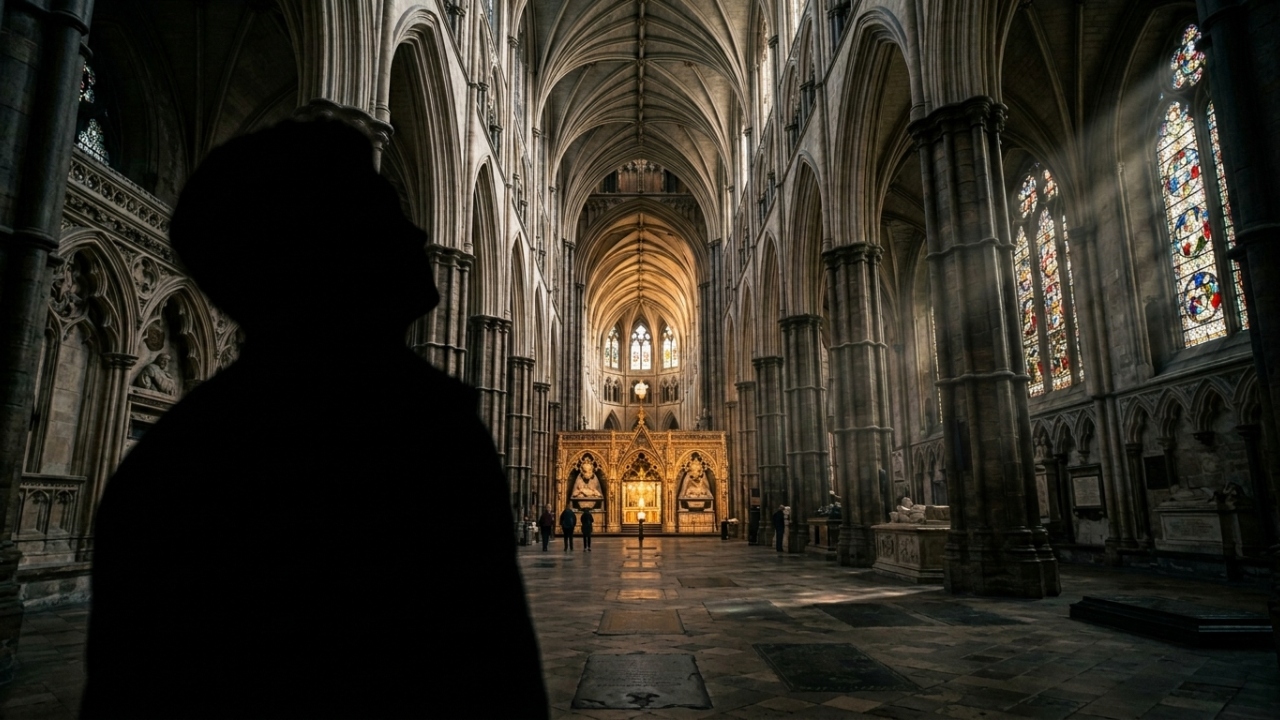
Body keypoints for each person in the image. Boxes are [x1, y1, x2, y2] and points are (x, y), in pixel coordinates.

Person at [79, 119, 548, 719]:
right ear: (329, 253)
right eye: (386, 211)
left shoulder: (167, 465)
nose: (419, 231)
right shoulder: (422, 441)